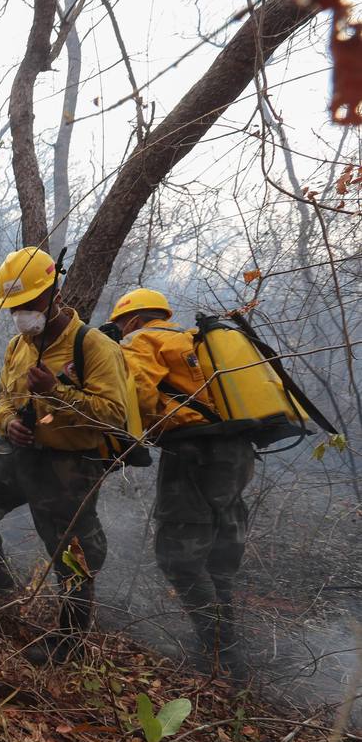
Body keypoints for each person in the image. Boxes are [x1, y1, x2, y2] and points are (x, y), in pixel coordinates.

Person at [0, 247, 129, 665]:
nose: (20, 313)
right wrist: (7, 422)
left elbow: (115, 416)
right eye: (14, 306)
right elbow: (2, 402)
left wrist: (57, 392)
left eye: (28, 304)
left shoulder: (95, 346)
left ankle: (68, 645)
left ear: (54, 293)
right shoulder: (18, 345)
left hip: (70, 463)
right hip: (20, 452)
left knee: (72, 554)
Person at [108, 287, 251, 682]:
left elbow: (135, 391)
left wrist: (119, 436)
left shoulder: (141, 339)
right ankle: (229, 654)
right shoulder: (191, 340)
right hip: (238, 450)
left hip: (194, 453)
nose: (120, 333)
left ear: (133, 320)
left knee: (180, 558)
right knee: (218, 558)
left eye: (120, 326)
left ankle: (218, 654)